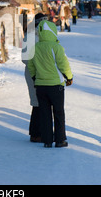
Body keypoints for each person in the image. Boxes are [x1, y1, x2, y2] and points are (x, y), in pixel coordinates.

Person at [27, 20, 73, 148]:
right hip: (56, 85)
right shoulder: (56, 47)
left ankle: (47, 140)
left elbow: (31, 66)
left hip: (41, 86)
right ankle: (60, 140)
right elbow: (64, 65)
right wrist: (69, 77)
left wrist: (36, 77)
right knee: (58, 113)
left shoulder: (34, 48)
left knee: (45, 113)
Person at [23, 13, 47, 143]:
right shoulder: (31, 36)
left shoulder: (42, 35)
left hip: (42, 73)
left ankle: (38, 132)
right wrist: (37, 66)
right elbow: (25, 58)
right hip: (34, 73)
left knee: (40, 102)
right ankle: (36, 133)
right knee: (37, 102)